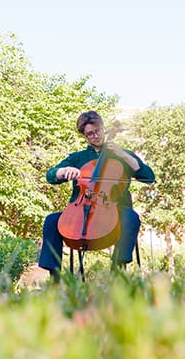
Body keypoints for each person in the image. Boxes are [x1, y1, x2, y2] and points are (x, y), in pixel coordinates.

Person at [38, 111, 155, 280]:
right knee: (51, 220)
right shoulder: (78, 157)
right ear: (85, 136)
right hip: (81, 208)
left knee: (131, 218)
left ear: (103, 128)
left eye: (98, 130)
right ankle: (55, 278)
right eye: (90, 134)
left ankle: (117, 271)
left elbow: (148, 177)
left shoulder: (122, 155)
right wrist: (63, 171)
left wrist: (123, 154)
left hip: (113, 210)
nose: (95, 136)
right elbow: (51, 175)